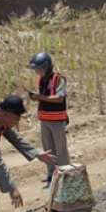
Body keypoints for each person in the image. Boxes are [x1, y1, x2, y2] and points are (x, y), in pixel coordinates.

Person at [28, 51, 70, 186]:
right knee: (48, 149)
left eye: (38, 68)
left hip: (57, 120)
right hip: (45, 119)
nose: (37, 71)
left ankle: (65, 173)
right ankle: (51, 173)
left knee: (60, 148)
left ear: (46, 66)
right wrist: (36, 97)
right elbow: (45, 97)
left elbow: (59, 98)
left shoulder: (58, 79)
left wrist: (40, 97)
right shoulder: (41, 79)